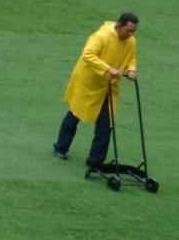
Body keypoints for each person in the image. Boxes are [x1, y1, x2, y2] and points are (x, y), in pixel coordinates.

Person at [53, 13, 139, 170]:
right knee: (75, 113)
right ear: (119, 25)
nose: (131, 34)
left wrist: (132, 69)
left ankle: (95, 161)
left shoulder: (131, 41)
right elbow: (88, 54)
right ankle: (61, 147)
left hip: (109, 85)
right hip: (89, 82)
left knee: (107, 123)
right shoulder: (102, 36)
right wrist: (108, 68)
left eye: (133, 31)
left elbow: (131, 57)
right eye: (129, 30)